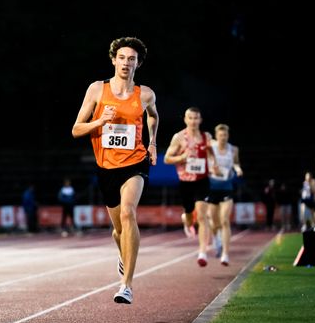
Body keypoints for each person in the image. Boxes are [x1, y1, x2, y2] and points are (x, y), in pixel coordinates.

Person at [72, 36, 159, 304]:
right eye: (121, 57)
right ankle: (122, 252)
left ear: (138, 64)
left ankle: (126, 285)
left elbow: (153, 115)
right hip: (106, 166)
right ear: (113, 60)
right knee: (118, 230)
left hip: (135, 161)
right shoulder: (97, 90)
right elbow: (76, 129)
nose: (126, 62)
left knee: (128, 212)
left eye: (131, 59)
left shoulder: (145, 94)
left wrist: (153, 143)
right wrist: (100, 121)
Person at [164, 107, 216, 267]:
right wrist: (182, 157)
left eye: (196, 118)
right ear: (185, 119)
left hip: (202, 180)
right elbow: (166, 158)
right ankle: (186, 222)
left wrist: (213, 164)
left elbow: (211, 155)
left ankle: (202, 252)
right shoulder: (179, 137)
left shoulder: (206, 137)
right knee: (188, 213)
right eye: (190, 118)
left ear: (200, 120)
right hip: (186, 181)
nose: (193, 121)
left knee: (202, 215)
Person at [205, 124, 243, 266]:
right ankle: (217, 239)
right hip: (212, 187)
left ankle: (225, 254)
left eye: (225, 135)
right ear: (216, 135)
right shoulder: (211, 146)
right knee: (214, 222)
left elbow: (236, 164)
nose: (223, 138)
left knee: (225, 220)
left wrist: (238, 169)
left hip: (226, 187)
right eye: (220, 135)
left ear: (228, 135)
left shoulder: (233, 150)